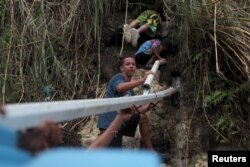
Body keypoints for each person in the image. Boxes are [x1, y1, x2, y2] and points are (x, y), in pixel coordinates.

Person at [97, 55, 155, 150]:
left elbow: (139, 110)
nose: (131, 66)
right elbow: (119, 87)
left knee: (143, 117)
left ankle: (151, 151)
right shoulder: (118, 78)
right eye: (127, 64)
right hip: (109, 125)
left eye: (133, 64)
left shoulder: (130, 91)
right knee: (112, 157)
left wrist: (153, 103)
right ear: (121, 68)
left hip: (122, 124)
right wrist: (142, 81)